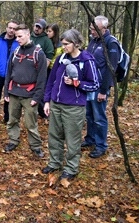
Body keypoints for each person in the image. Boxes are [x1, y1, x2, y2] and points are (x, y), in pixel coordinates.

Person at [41, 29, 99, 180]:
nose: (63, 46)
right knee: (54, 136)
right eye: (62, 43)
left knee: (72, 139)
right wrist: (47, 101)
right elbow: (51, 80)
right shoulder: (60, 58)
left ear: (76, 43)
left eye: (66, 44)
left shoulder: (87, 60)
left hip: (74, 107)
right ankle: (55, 162)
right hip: (56, 104)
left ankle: (71, 168)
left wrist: (77, 83)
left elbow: (94, 84)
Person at [3, 24, 47, 157]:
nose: (17, 39)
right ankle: (13, 140)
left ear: (28, 35)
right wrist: (6, 92)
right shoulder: (16, 52)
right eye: (16, 37)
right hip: (14, 92)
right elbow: (8, 72)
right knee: (12, 120)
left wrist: (37, 97)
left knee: (30, 123)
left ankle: (35, 146)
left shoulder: (38, 53)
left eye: (20, 36)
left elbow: (42, 78)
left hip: (30, 94)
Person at [83, 15, 120, 158]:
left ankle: (101, 145)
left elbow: (111, 68)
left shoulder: (111, 43)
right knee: (89, 115)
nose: (91, 31)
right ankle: (90, 139)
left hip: (100, 87)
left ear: (104, 29)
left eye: (94, 28)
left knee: (99, 117)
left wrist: (104, 90)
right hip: (90, 85)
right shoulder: (93, 41)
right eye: (91, 28)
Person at [31, 18, 54, 120]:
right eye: (36, 26)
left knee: (41, 92)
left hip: (40, 71)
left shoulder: (46, 40)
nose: (37, 29)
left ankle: (44, 113)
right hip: (28, 71)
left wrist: (42, 72)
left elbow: (49, 56)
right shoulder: (29, 37)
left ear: (43, 29)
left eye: (39, 27)